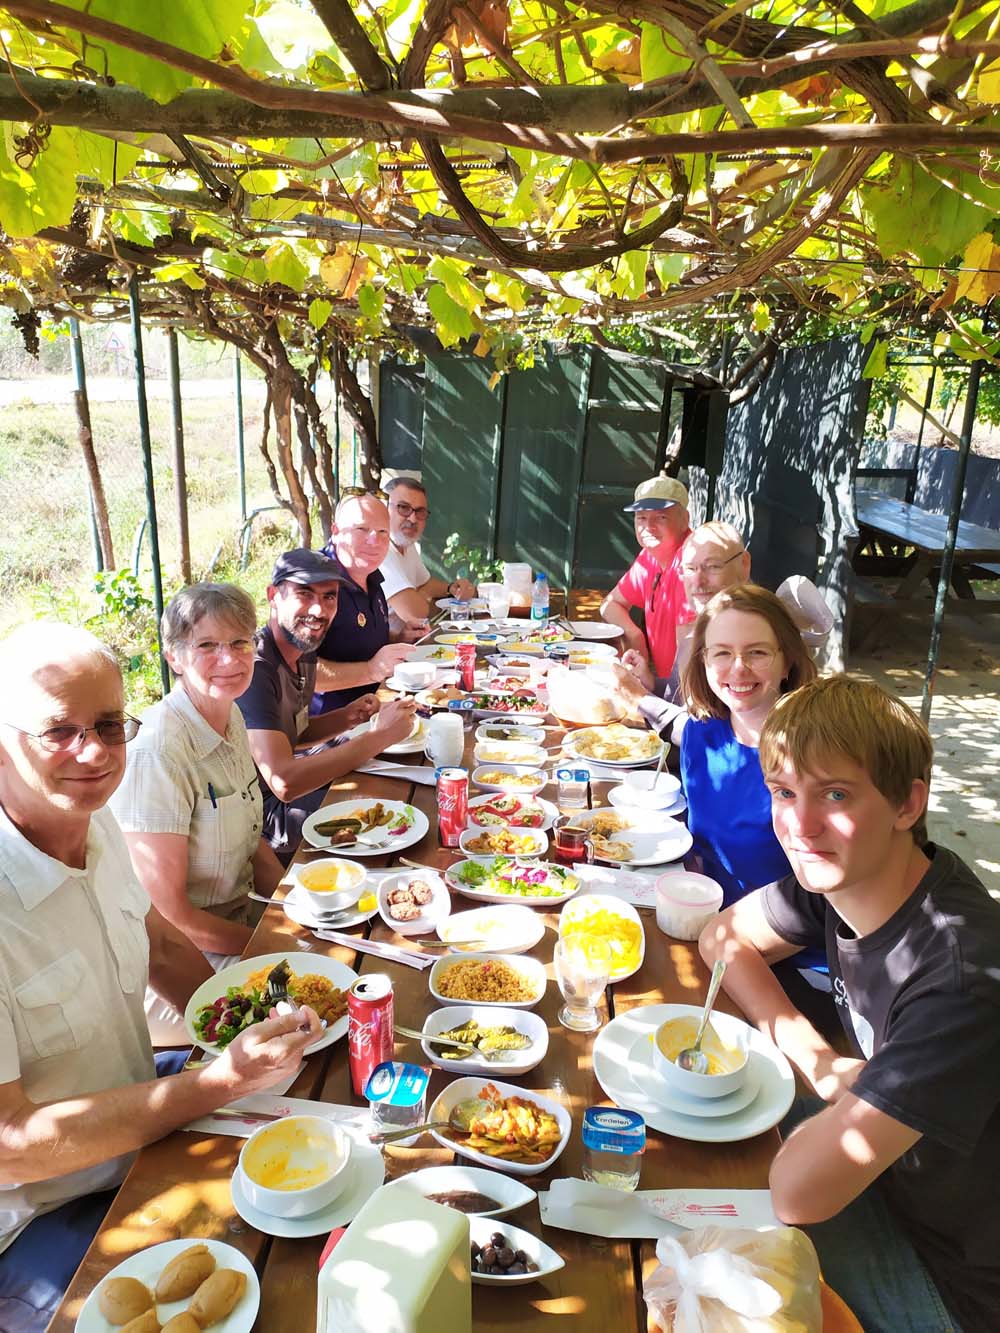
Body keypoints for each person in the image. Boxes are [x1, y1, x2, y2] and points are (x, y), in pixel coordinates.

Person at [0, 622, 322, 1332]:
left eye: (111, 725)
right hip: (44, 1219)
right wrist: (216, 1082)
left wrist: (266, 1013)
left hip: (149, 1127)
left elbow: (163, 946)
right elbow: (11, 1140)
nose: (95, 752)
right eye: (59, 731)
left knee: (330, 1198)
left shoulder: (94, 818)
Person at [699, 676, 1000, 1332]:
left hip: (951, 1281)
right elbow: (721, 936)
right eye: (784, 792)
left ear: (906, 803)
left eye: (835, 793)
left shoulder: (961, 973)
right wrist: (818, 1061)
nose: (800, 825)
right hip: (883, 1178)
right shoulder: (849, 875)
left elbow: (797, 1191)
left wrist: (827, 1106)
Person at [110, 584, 285, 1022]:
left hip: (239, 926)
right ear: (174, 657)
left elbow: (252, 842)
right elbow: (171, 919)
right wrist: (268, 945)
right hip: (176, 967)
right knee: (311, 1007)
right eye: (207, 645)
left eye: (241, 642)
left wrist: (293, 910)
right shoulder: (158, 751)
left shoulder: (232, 713)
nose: (229, 660)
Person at [236, 548, 417, 862]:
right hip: (266, 819)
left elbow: (293, 733)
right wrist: (378, 738)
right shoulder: (257, 669)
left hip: (287, 792)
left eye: (329, 597)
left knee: (391, 787)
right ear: (273, 596)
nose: (319, 610)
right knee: (387, 804)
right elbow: (284, 782)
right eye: (305, 594)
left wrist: (347, 717)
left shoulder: (302, 648)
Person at [680, 584, 817, 908]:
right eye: (722, 653)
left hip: (786, 945)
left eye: (757, 652)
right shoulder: (699, 735)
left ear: (787, 662)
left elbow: (826, 896)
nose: (738, 668)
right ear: (703, 660)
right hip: (703, 918)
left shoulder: (814, 756)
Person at [311, 492, 422, 716]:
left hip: (376, 707)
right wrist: (371, 670)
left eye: (383, 532)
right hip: (330, 729)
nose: (374, 541)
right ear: (335, 532)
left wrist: (397, 637)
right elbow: (299, 673)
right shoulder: (316, 585)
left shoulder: (370, 574)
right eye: (361, 529)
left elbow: (352, 636)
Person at [599, 475, 693, 679]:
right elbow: (610, 604)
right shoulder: (649, 556)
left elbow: (689, 656)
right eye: (641, 517)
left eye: (661, 517)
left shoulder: (691, 564)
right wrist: (634, 634)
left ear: (684, 520)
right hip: (662, 683)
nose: (648, 527)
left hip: (683, 691)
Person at [380, 476, 477, 625]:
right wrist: (422, 596)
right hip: (384, 646)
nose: (412, 519)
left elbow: (424, 583)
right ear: (383, 508)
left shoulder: (406, 543)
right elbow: (415, 613)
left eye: (420, 512)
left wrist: (451, 588)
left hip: (408, 639)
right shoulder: (379, 548)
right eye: (403, 508)